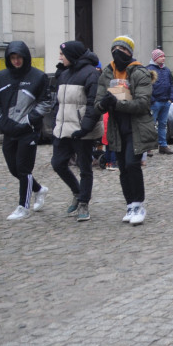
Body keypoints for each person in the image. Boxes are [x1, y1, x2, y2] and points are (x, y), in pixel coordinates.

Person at [94, 35, 158, 226]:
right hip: (116, 127)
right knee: (122, 168)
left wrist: (117, 103)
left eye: (122, 50)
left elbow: (142, 103)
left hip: (136, 127)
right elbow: (97, 104)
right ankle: (130, 204)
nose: (117, 53)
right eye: (114, 50)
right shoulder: (107, 73)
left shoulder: (139, 72)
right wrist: (103, 104)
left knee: (132, 164)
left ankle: (139, 205)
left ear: (129, 52)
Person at [0, 41, 52, 220]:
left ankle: (23, 206)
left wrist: (29, 119)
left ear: (25, 57)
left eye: (19, 57)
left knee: (23, 168)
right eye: (13, 58)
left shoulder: (38, 77)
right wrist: (1, 121)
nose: (16, 61)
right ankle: (38, 189)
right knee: (14, 169)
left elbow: (46, 102)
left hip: (29, 130)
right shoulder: (0, 77)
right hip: (9, 129)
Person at [50, 41, 102, 221]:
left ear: (71, 55)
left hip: (82, 131)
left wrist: (84, 128)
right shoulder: (64, 74)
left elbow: (93, 105)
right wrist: (55, 119)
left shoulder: (91, 74)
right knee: (58, 163)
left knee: (85, 168)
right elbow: (58, 102)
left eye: (62, 54)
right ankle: (77, 191)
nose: (59, 57)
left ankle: (83, 203)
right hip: (63, 129)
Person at [147, 49, 173, 154]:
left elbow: (171, 84)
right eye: (161, 56)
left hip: (165, 101)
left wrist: (170, 98)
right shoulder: (149, 70)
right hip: (155, 102)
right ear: (155, 58)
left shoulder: (166, 70)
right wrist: (152, 100)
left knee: (162, 124)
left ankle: (163, 145)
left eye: (164, 56)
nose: (163, 58)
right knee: (151, 125)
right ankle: (148, 147)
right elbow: (147, 86)